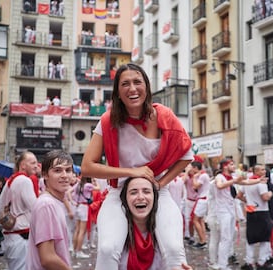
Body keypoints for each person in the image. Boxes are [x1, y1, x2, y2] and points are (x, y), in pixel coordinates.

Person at [81, 63, 193, 269]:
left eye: (137, 82)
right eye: (125, 84)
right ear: (117, 93)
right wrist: (132, 172)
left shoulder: (164, 115)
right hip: (118, 192)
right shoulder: (107, 120)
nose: (132, 88)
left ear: (147, 87)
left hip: (158, 192)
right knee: (107, 248)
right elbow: (87, 166)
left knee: (175, 249)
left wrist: (161, 183)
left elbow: (187, 155)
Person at [119, 176, 192, 270]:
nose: (140, 197)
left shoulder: (167, 238)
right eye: (133, 192)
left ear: (155, 197)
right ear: (125, 199)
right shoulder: (116, 239)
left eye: (146, 191)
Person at [26, 150, 74, 269]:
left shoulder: (54, 202)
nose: (64, 175)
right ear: (45, 175)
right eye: (57, 170)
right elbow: (48, 258)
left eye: (68, 170)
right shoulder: (47, 204)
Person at [0, 151, 39, 269]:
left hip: (11, 236)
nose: (36, 165)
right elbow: (35, 207)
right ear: (23, 165)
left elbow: (0, 208)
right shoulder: (25, 180)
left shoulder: (12, 179)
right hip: (20, 237)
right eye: (33, 163)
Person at [237, 164, 273, 270]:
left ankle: (249, 262)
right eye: (262, 170)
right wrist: (270, 193)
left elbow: (239, 195)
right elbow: (265, 197)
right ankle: (261, 262)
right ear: (256, 171)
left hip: (251, 212)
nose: (264, 171)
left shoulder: (247, 182)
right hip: (262, 212)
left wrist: (248, 201)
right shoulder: (261, 183)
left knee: (251, 238)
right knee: (264, 238)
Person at [190, 160, 210, 249]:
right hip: (203, 199)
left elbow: (195, 186)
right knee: (200, 220)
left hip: (202, 199)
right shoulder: (203, 175)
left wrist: (194, 178)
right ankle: (203, 240)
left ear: (195, 168)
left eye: (192, 168)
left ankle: (202, 241)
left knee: (195, 220)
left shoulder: (202, 175)